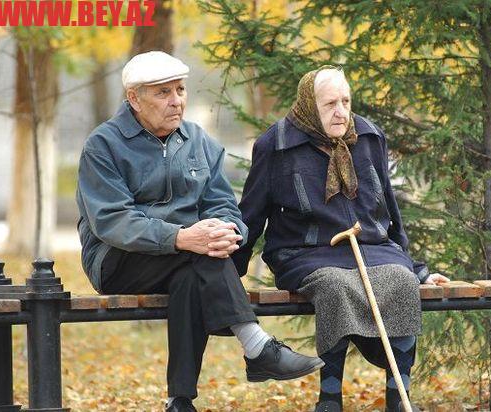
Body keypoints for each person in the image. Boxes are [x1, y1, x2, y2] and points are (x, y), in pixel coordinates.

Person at [75, 51, 324, 412]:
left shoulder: (197, 140)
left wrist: (227, 231)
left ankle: (180, 400)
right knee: (199, 254)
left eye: (180, 90)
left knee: (193, 272)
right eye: (163, 92)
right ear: (134, 99)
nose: (176, 101)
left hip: (187, 259)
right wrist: (181, 237)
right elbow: (113, 221)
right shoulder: (103, 145)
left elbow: (223, 205)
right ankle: (257, 346)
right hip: (117, 260)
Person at [232, 66, 449, 412]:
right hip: (304, 252)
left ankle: (399, 397)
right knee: (335, 285)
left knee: (401, 279)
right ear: (309, 104)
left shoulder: (369, 137)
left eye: (346, 102)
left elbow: (389, 208)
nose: (341, 112)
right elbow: (252, 213)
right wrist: (231, 274)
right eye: (330, 104)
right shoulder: (276, 144)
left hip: (373, 248)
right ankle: (330, 399)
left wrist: (416, 268)